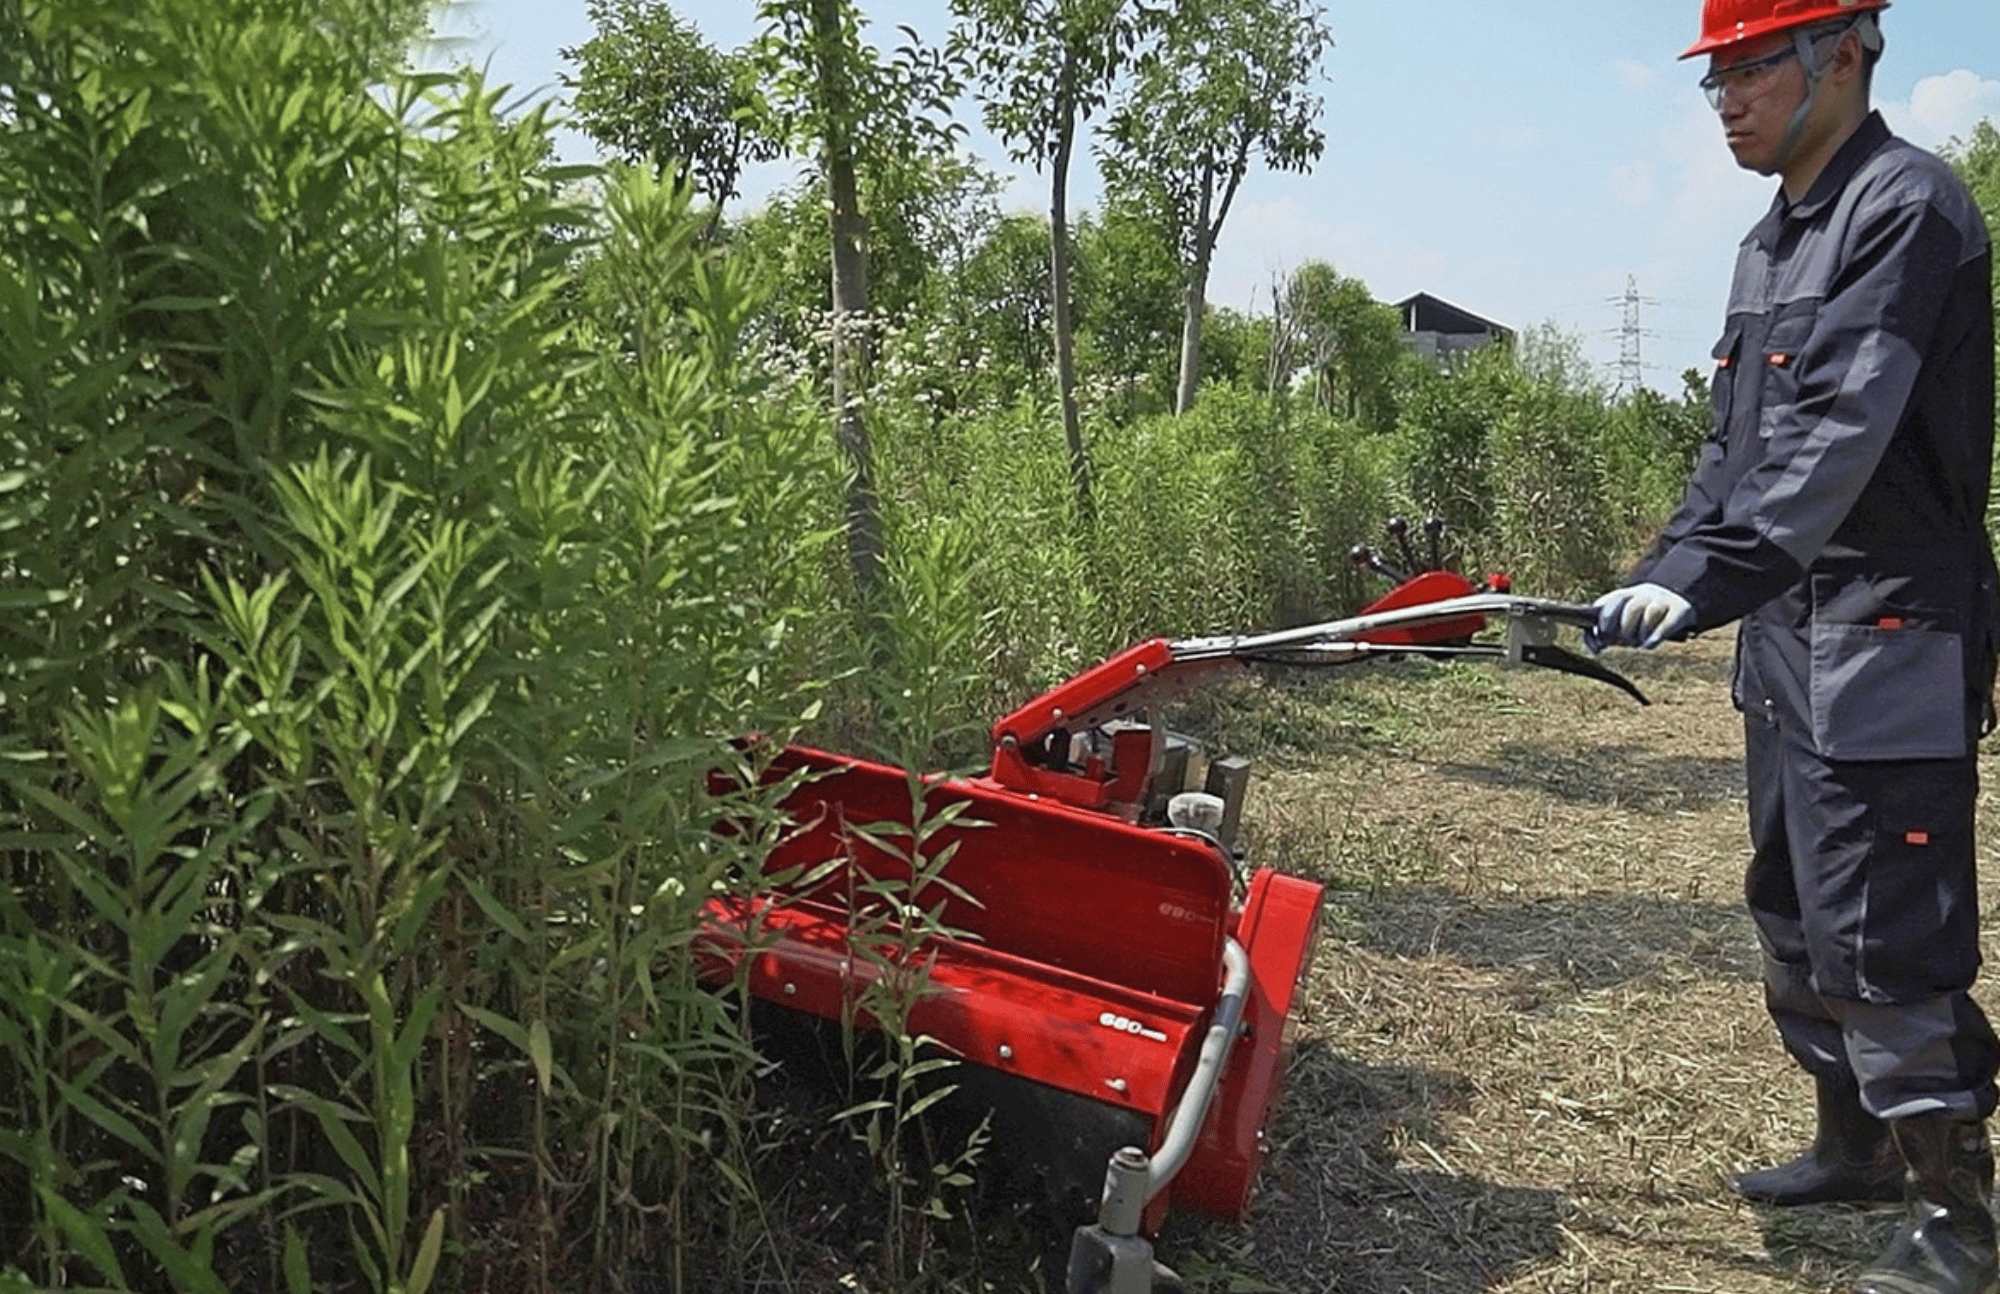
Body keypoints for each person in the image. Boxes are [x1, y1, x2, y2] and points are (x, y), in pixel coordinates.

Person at [1589, 3, 2000, 1292]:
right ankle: (1858, 1147)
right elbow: (1733, 457)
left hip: (1887, 634)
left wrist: (1714, 576)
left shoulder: (1906, 208)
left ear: (1846, 50)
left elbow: (1837, 445)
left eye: (1751, 63)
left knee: (1884, 928)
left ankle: (1962, 1224)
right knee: (1797, 907)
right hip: (1785, 638)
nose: (1725, 96)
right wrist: (1662, 573)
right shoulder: (1767, 244)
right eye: (1715, 74)